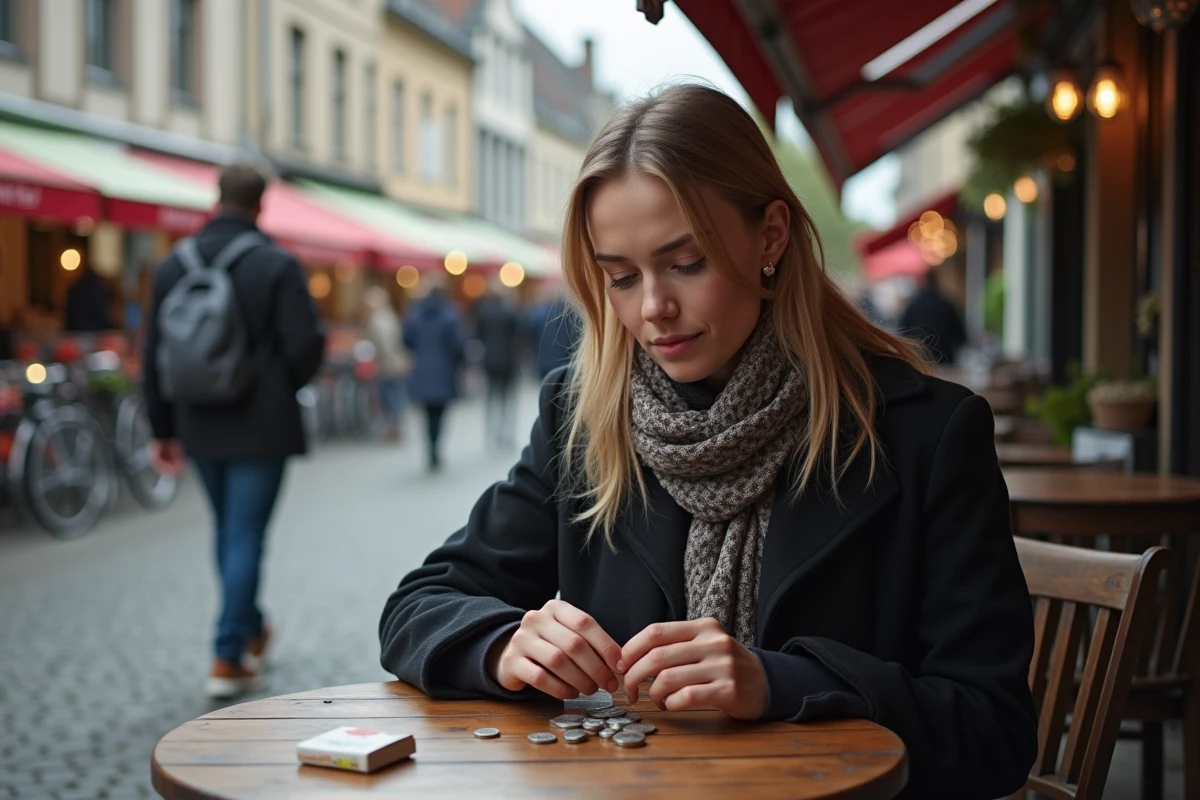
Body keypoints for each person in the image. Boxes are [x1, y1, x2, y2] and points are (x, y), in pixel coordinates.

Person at [379, 85, 1037, 798]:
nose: (653, 308)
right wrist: (503, 644)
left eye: (685, 263)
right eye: (621, 277)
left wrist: (782, 681)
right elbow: (420, 605)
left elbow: (992, 731)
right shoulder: (584, 418)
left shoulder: (924, 433)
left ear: (772, 236)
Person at [143, 163, 326, 700]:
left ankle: (249, 627)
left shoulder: (171, 266)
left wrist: (161, 428)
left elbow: (152, 355)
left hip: (196, 420)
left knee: (228, 529)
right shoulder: (276, 265)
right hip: (260, 422)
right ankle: (227, 655)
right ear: (260, 204)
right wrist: (275, 381)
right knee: (244, 534)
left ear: (215, 199)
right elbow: (304, 347)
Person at [403, 278, 466, 472]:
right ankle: (435, 448)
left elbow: (406, 339)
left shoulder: (414, 313)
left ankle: (430, 448)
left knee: (427, 413)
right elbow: (458, 344)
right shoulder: (450, 314)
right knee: (440, 413)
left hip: (421, 369)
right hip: (444, 370)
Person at [472, 284, 521, 449]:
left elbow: (478, 335)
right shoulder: (510, 311)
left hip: (490, 360)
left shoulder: (483, 312)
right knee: (508, 399)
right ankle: (506, 433)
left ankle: (491, 434)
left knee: (491, 398)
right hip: (508, 360)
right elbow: (518, 334)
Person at [362, 286, 411, 442]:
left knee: (389, 398)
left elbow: (385, 345)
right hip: (395, 363)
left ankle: (392, 429)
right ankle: (394, 428)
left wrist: (384, 360)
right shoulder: (389, 316)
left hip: (388, 365)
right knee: (395, 397)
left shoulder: (378, 320)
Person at [898, 269, 968, 364]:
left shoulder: (913, 306)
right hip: (945, 360)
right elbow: (960, 336)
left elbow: (903, 333)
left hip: (919, 360)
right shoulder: (947, 305)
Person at [525, 284, 579, 379]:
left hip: (543, 360)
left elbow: (531, 337)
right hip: (564, 361)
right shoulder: (571, 316)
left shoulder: (537, 314)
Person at [64, 262, 114, 332]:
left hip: (75, 331)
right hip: (94, 333)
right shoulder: (97, 290)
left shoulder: (75, 288)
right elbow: (101, 313)